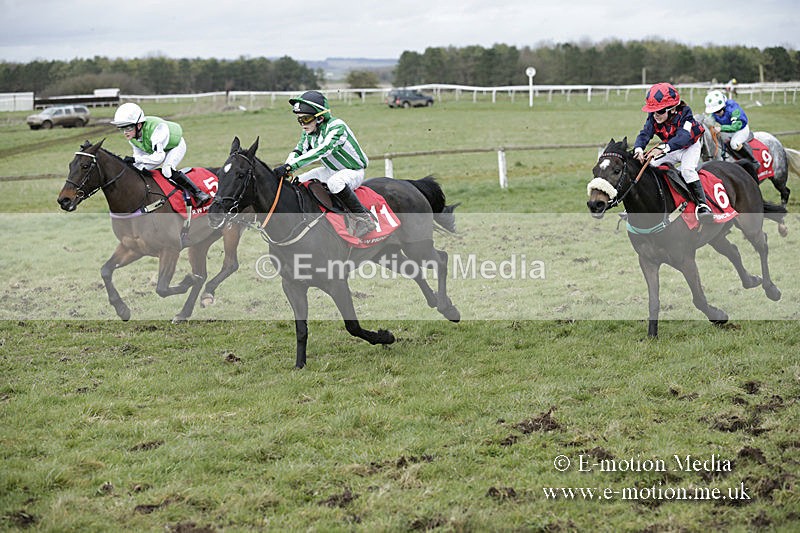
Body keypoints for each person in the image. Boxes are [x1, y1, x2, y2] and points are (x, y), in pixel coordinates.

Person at [272, 90, 376, 238]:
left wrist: (290, 167)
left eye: (306, 119)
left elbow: (322, 150)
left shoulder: (337, 126)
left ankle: (364, 219)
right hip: (329, 169)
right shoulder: (309, 131)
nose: (302, 124)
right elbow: (299, 150)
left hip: (353, 171)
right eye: (299, 120)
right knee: (298, 181)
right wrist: (286, 166)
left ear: (320, 118)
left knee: (335, 183)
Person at [633, 82, 712, 220]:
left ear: (673, 109)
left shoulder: (686, 113)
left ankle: (702, 205)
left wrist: (662, 149)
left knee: (687, 170)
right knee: (649, 167)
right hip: (670, 147)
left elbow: (684, 137)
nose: (656, 115)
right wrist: (639, 149)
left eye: (660, 111)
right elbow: (645, 134)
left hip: (689, 147)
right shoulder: (653, 117)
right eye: (653, 111)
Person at [110, 102, 211, 206]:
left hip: (174, 146)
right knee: (137, 168)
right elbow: (139, 155)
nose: (125, 132)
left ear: (139, 125)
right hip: (158, 151)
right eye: (122, 128)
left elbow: (159, 157)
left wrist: (135, 160)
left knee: (167, 170)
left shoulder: (157, 129)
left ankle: (199, 193)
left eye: (128, 128)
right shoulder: (132, 138)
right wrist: (133, 163)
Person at [704, 89, 758, 170]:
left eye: (718, 111)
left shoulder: (734, 110)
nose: (717, 114)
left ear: (724, 106)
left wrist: (721, 128)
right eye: (714, 112)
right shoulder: (717, 110)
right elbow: (709, 121)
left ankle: (753, 161)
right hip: (728, 129)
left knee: (734, 144)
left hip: (741, 129)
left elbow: (736, 126)